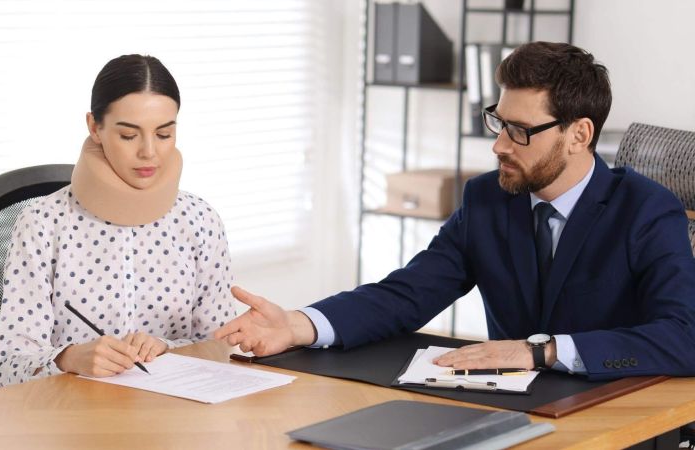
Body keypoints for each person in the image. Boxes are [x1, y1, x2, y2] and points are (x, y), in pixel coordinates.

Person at [215, 42, 695, 381]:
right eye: (498, 124)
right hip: (509, 408)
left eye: (520, 131)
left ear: (579, 134)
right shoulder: (488, 199)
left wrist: (541, 352)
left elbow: (683, 338)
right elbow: (407, 294)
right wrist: (299, 324)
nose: (499, 146)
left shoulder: (648, 211)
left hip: (614, 409)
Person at [0, 54, 235, 385]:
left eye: (163, 134)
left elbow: (221, 348)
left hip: (175, 416)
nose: (149, 152)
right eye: (128, 135)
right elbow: (9, 366)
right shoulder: (42, 223)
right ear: (95, 127)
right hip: (73, 419)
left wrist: (167, 348)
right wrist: (69, 358)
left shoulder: (200, 220)